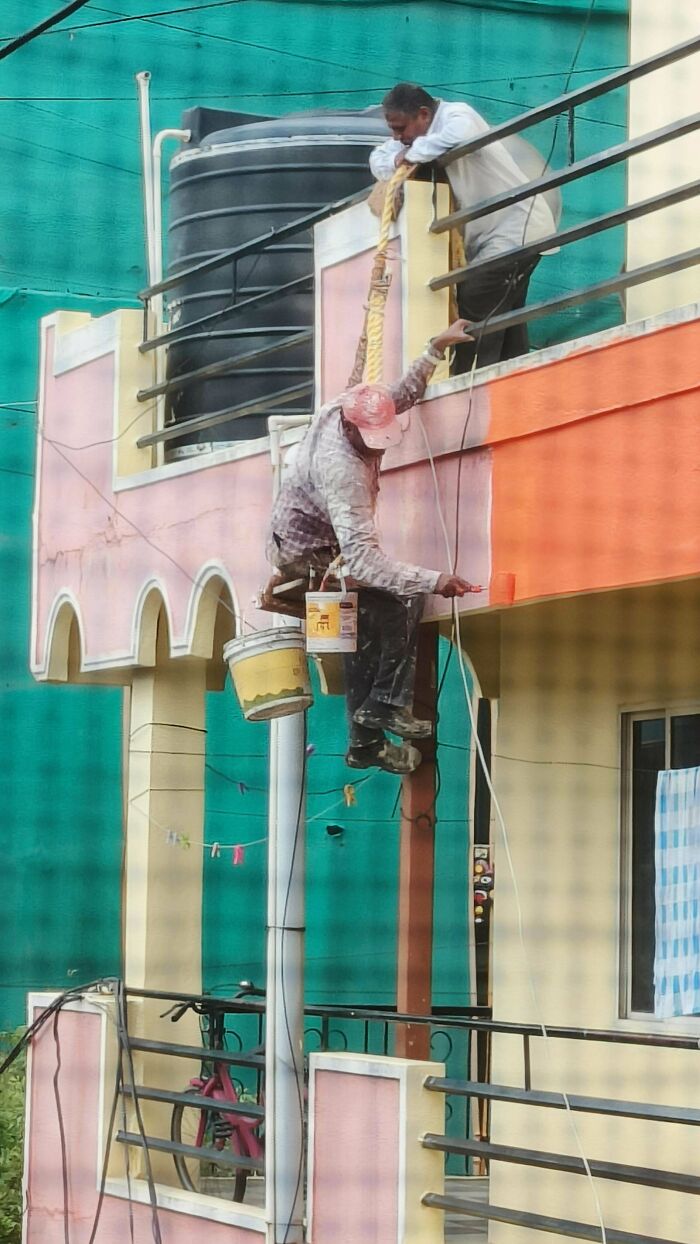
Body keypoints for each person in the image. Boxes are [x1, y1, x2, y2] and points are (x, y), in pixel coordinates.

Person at [266, 319, 482, 775]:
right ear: (352, 429)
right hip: (311, 554)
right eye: (372, 446)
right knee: (400, 600)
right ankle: (384, 704)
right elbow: (364, 559)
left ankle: (365, 740)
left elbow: (394, 398)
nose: (377, 454)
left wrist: (433, 349)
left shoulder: (347, 406)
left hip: (305, 542)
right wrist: (437, 580)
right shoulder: (343, 473)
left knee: (363, 629)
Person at [370, 83, 557, 371]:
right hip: (497, 235)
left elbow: (460, 134)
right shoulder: (416, 138)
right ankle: (515, 384)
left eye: (401, 128)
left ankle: (468, 388)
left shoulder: (457, 115)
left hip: (515, 228)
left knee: (474, 309)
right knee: (504, 321)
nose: (398, 137)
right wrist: (403, 155)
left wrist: (411, 155)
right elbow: (378, 160)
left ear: (423, 114)